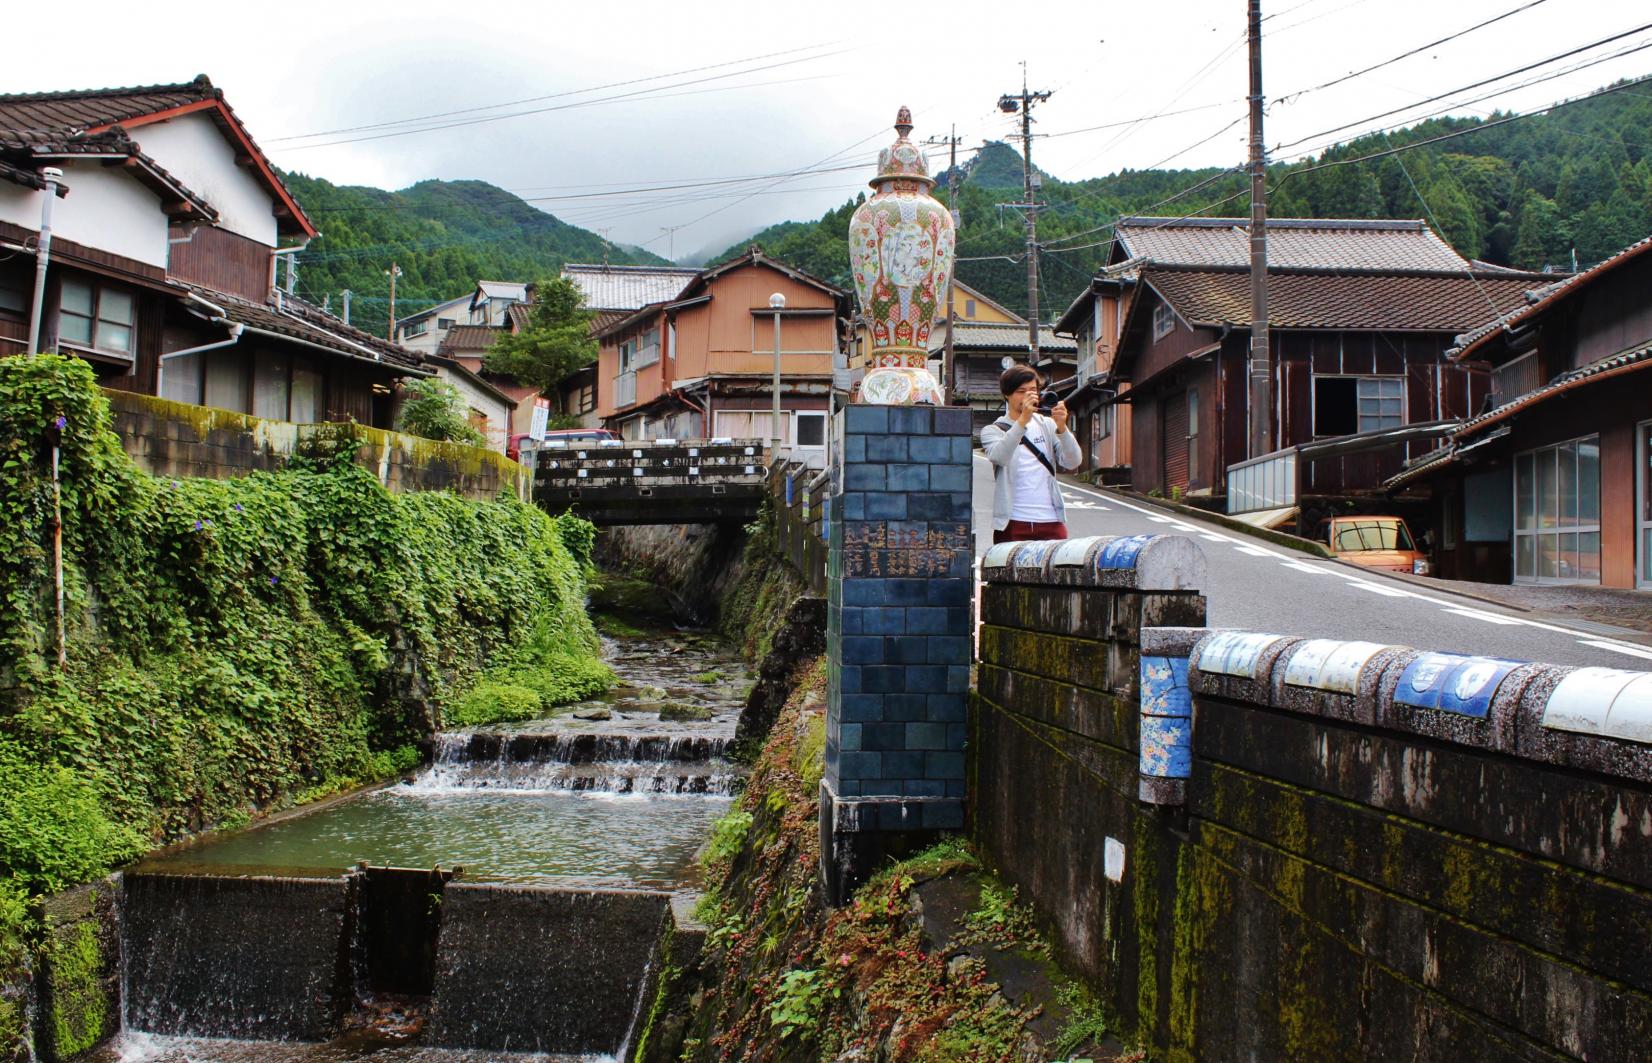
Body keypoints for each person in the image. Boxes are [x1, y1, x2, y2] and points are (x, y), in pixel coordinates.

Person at [981, 365, 1083, 544]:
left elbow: (1073, 461)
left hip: (1051, 521)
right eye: (1021, 391)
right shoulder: (993, 430)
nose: (1029, 396)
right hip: (1013, 522)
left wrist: (1062, 427)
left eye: (1033, 391)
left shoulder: (1048, 425)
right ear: (1007, 394)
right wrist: (1022, 421)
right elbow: (999, 457)